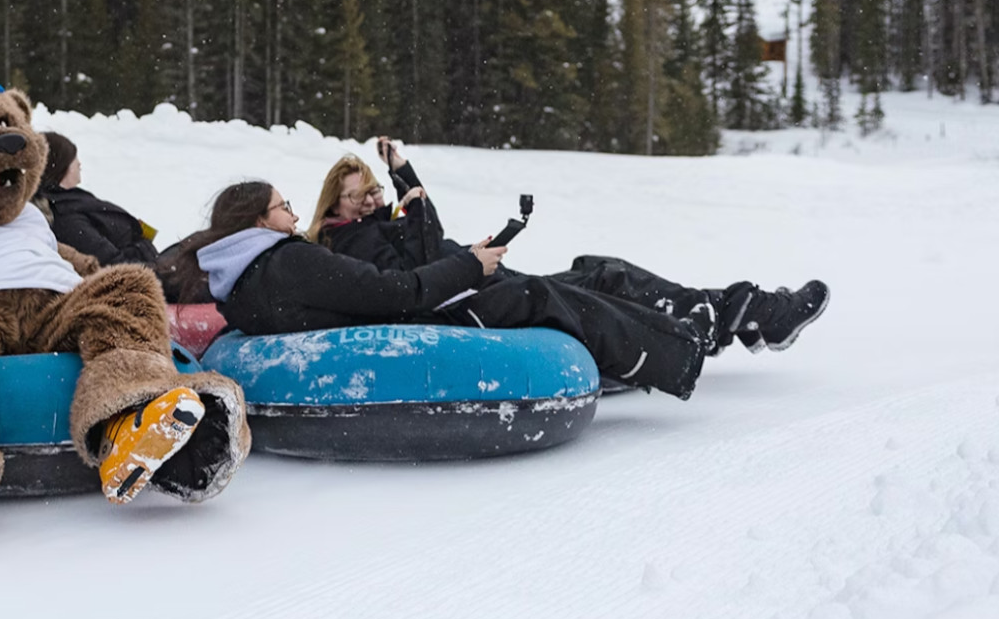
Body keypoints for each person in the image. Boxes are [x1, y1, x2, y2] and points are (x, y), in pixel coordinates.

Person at [168, 181, 720, 400]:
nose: (292, 212)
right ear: (260, 222)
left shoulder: (240, 283)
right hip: (420, 325)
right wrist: (471, 269)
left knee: (564, 284)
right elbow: (398, 291)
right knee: (541, 297)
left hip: (398, 318)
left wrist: (463, 258)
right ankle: (677, 352)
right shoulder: (291, 261)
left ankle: (666, 335)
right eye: (282, 206)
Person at [306, 137, 830, 356]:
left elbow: (424, 252)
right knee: (606, 278)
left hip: (487, 287)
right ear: (337, 203)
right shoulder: (352, 240)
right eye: (362, 195)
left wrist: (404, 178)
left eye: (374, 190)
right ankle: (747, 312)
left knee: (601, 273)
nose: (373, 200)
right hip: (483, 306)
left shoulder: (364, 230)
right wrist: (420, 210)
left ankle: (737, 318)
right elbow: (416, 278)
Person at [35, 131, 160, 268]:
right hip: (143, 274)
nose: (79, 163)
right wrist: (144, 250)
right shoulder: (67, 218)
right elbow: (112, 263)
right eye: (73, 157)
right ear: (60, 165)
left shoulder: (67, 200)